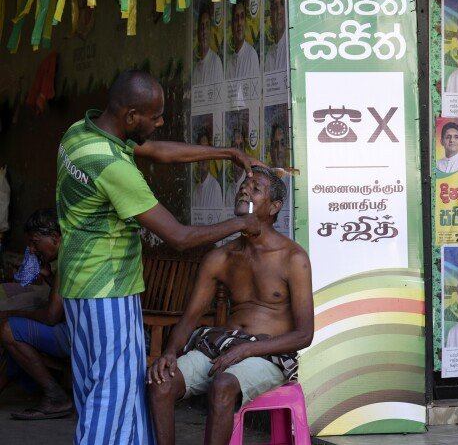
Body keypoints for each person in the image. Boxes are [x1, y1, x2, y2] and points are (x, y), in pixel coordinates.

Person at [56, 70, 264, 444]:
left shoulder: (81, 135)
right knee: (112, 393)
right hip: (108, 289)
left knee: (104, 386)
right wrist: (242, 222)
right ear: (131, 116)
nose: (161, 122)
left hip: (77, 283)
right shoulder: (114, 168)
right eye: (155, 116)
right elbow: (180, 237)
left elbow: (157, 151)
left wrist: (226, 152)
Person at [147, 167, 313, 445]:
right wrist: (168, 353)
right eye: (243, 185)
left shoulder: (293, 258)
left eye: (255, 188)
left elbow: (304, 335)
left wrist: (247, 349)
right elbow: (190, 318)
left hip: (267, 354)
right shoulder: (220, 257)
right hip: (222, 347)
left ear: (274, 207)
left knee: (223, 385)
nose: (244, 190)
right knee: (161, 381)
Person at [0, 209, 71, 420]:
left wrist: (13, 313)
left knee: (8, 328)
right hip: (77, 330)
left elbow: (51, 316)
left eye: (34, 243)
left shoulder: (68, 260)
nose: (32, 249)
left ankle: (56, 397)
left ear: (55, 238)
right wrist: (50, 278)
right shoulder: (69, 254)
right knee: (15, 332)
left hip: (79, 337)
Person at [225, 0, 260, 83]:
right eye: (236, 18)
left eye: (242, 17)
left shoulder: (251, 55)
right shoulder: (229, 64)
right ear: (232, 26)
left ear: (245, 23)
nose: (239, 23)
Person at [192, 3, 224, 87]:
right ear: (198, 33)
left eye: (207, 26)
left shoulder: (216, 62)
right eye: (202, 27)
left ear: (210, 31)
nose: (204, 31)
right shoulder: (196, 70)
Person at [193, 131, 224, 209]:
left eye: (206, 150)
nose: (204, 156)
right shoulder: (195, 191)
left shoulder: (215, 187)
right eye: (201, 150)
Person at [263, 0, 286, 73]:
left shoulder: (291, 48)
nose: (279, 11)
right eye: (275, 7)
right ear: (271, 15)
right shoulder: (269, 55)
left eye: (282, 4)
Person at [225, 129, 247, 208]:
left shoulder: (250, 185)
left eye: (241, 146)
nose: (238, 153)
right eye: (235, 147)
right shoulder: (229, 191)